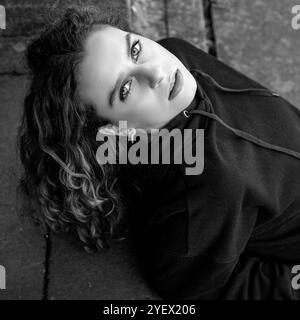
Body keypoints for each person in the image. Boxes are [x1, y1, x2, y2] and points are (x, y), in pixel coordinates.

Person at [17, 5, 300, 299]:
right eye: (125, 89)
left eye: (135, 49)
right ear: (117, 132)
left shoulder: (177, 54)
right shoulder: (212, 181)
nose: (156, 72)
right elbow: (191, 285)